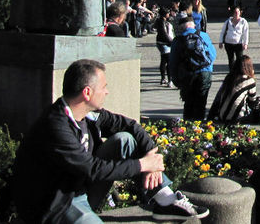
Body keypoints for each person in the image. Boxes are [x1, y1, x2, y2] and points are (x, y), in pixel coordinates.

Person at [12, 59, 209, 223]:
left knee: (125, 140)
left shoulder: (88, 114)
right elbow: (94, 169)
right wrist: (142, 164)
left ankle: (166, 201)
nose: (107, 92)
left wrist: (151, 155)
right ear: (87, 92)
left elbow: (129, 125)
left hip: (84, 189)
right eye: (104, 87)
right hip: (59, 205)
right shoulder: (56, 127)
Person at [169, 12, 217, 120]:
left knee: (188, 104)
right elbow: (213, 55)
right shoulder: (203, 35)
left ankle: (187, 130)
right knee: (201, 104)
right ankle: (199, 128)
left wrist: (176, 80)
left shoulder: (178, 40)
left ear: (181, 27)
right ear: (193, 25)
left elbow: (173, 62)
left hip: (187, 75)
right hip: (204, 73)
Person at [208, 54, 260, 124]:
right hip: (237, 119)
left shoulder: (229, 77)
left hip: (222, 116)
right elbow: (252, 101)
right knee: (258, 108)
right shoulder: (249, 81)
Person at [218, 5, 249, 71]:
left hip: (238, 43)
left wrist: (245, 43)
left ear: (240, 12)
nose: (236, 13)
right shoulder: (227, 21)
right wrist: (220, 42)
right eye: (235, 12)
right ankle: (232, 73)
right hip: (228, 43)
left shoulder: (243, 21)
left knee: (239, 60)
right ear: (233, 13)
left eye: (238, 11)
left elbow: (246, 33)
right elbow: (222, 32)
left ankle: (239, 72)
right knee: (231, 59)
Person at [154, 6, 175, 87]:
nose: (169, 14)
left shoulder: (163, 20)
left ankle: (163, 78)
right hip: (164, 43)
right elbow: (164, 34)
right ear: (164, 14)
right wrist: (171, 42)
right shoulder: (161, 22)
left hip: (162, 42)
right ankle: (170, 80)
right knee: (169, 61)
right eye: (168, 13)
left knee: (163, 60)